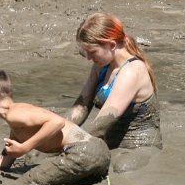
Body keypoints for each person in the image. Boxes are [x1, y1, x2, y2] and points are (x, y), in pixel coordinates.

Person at [0, 67, 110, 185]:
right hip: (97, 151)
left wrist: (25, 148)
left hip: (84, 151)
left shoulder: (15, 114)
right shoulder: (15, 118)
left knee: (27, 181)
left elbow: (57, 122)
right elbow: (10, 151)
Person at [68, 13, 162, 171]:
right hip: (110, 141)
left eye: (92, 52)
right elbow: (81, 105)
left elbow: (101, 124)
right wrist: (54, 131)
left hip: (139, 145)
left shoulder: (132, 71)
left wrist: (67, 142)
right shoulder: (102, 64)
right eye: (85, 53)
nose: (88, 58)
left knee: (120, 168)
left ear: (111, 45)